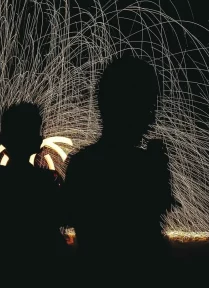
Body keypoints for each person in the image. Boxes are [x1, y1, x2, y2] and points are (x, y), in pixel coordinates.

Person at [64, 56, 173, 283]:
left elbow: (73, 217)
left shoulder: (81, 164)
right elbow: (154, 215)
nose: (152, 116)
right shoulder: (145, 166)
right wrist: (158, 168)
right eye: (148, 105)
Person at [0, 102, 67, 279]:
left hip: (7, 267)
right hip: (44, 267)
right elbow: (63, 216)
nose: (41, 136)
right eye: (36, 131)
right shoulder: (44, 181)